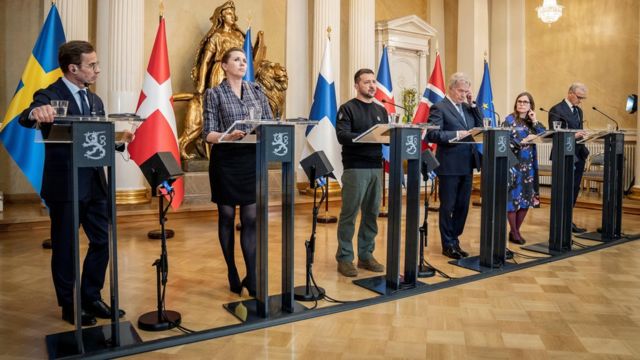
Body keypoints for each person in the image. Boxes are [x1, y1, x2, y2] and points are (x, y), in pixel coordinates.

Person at [18, 40, 129, 326]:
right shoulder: (49, 94)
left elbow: (94, 140)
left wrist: (118, 141)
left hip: (95, 182)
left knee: (102, 241)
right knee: (66, 246)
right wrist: (35, 113)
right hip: (65, 185)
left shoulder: (94, 100)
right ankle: (70, 304)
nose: (98, 70)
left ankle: (91, 296)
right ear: (73, 68)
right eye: (92, 65)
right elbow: (27, 116)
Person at [202, 47, 272, 296]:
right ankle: (232, 269)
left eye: (245, 60)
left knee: (251, 218)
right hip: (226, 160)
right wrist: (226, 136)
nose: (243, 63)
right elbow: (207, 133)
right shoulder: (214, 93)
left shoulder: (256, 90)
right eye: (237, 60)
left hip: (251, 159)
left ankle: (251, 275)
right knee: (227, 216)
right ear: (224, 65)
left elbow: (270, 122)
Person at [334, 68, 387, 277]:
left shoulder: (381, 110)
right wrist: (367, 136)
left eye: (374, 82)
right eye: (367, 82)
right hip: (355, 167)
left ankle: (366, 255)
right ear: (356, 85)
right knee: (350, 214)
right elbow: (342, 135)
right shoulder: (347, 108)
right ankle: (345, 258)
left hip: (376, 166)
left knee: (372, 214)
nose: (372, 86)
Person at [426, 72, 482, 260]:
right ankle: (447, 244)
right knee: (448, 206)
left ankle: (455, 239)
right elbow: (433, 135)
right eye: (461, 91)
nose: (464, 94)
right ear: (450, 88)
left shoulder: (467, 108)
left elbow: (480, 126)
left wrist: (473, 105)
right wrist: (455, 135)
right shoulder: (439, 107)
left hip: (467, 163)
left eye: (467, 91)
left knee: (462, 206)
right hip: (449, 164)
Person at [504, 92, 546, 245]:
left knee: (526, 198)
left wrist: (535, 120)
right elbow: (504, 141)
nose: (521, 104)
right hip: (514, 164)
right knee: (513, 199)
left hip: (529, 165)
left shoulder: (531, 122)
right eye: (519, 101)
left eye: (525, 102)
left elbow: (544, 135)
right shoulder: (509, 120)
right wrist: (522, 140)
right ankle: (514, 232)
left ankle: (515, 231)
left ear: (530, 106)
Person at [548, 83, 589, 233]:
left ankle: (568, 219)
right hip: (564, 154)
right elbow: (555, 133)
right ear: (570, 93)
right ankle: (560, 220)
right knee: (564, 188)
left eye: (583, 98)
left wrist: (583, 135)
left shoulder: (578, 110)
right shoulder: (556, 109)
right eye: (579, 97)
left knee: (574, 188)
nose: (580, 101)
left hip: (578, 154)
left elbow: (578, 129)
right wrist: (573, 135)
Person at [191, 0, 245, 95]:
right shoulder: (217, 36)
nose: (232, 16)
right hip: (220, 71)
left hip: (237, 72)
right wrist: (202, 83)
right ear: (222, 17)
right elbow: (205, 61)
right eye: (229, 14)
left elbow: (247, 56)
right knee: (219, 102)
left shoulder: (239, 36)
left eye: (233, 14)